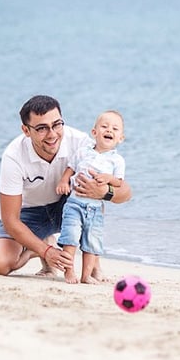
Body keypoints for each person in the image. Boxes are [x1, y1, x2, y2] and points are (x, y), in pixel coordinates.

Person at [0, 95, 132, 278]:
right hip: (31, 214)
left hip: (70, 204)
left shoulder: (81, 143)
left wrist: (105, 192)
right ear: (26, 130)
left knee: (92, 201)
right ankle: (37, 248)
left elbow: (126, 193)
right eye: (41, 128)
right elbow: (10, 220)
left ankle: (93, 265)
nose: (52, 134)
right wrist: (46, 251)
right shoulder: (14, 156)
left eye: (57, 124)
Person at [55, 110, 126, 284]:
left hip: (95, 209)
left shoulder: (117, 161)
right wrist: (64, 182)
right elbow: (70, 168)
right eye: (104, 126)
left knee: (92, 244)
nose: (109, 130)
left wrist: (108, 179)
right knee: (69, 238)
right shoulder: (83, 152)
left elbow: (119, 183)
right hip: (74, 203)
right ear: (94, 133)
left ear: (120, 138)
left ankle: (86, 275)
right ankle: (69, 271)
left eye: (115, 129)